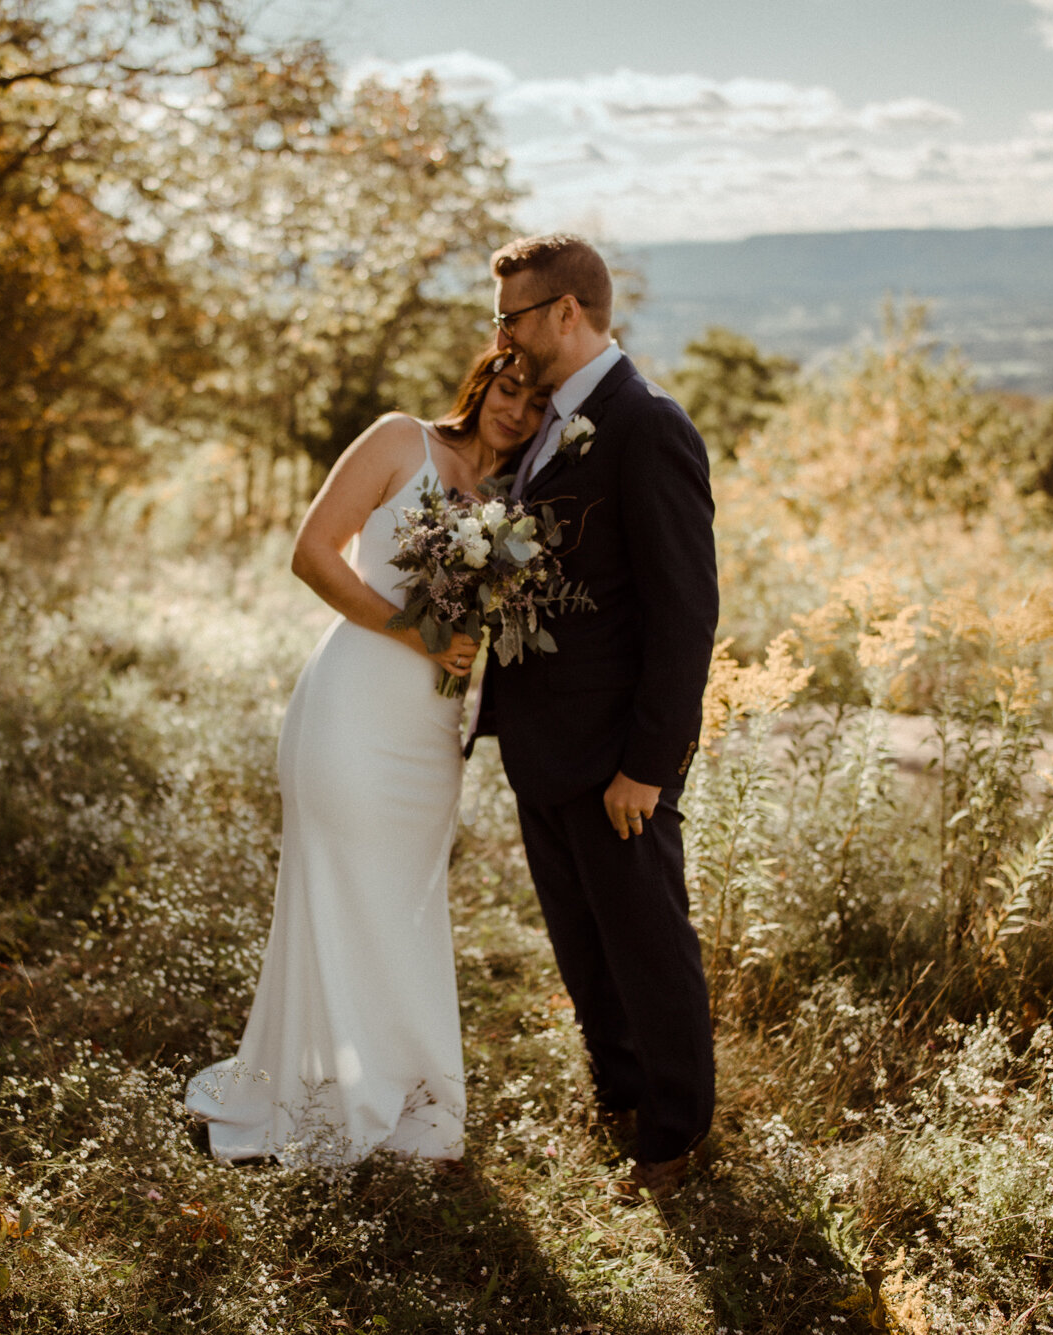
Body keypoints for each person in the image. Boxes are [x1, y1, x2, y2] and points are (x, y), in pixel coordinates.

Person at [185, 349, 552, 1165]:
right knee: (337, 891)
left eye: (537, 400)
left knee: (405, 904)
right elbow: (311, 553)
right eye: (509, 387)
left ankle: (405, 1090)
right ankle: (323, 1098)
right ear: (482, 381)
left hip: (428, 731)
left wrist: (469, 640)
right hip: (351, 705)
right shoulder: (400, 440)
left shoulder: (514, 505)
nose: (517, 409)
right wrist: (414, 629)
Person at [475, 233, 719, 1202]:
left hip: (617, 761)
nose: (501, 337)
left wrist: (647, 767)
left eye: (510, 316)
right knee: (584, 949)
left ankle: (673, 1135)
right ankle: (616, 1098)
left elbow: (682, 613)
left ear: (565, 313)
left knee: (648, 952)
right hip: (541, 748)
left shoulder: (644, 424)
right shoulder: (544, 421)